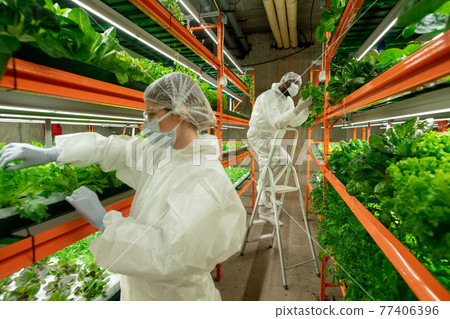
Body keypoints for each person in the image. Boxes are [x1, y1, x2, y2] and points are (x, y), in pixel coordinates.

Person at [0, 72, 246, 301]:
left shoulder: (204, 179)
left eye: (151, 114)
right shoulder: (166, 155)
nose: (145, 124)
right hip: (145, 295)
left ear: (179, 112)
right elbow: (115, 149)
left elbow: (169, 256)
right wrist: (54, 153)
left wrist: (105, 222)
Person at [247, 72, 311, 226]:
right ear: (284, 81)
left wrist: (303, 111)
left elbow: (293, 121)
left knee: (267, 166)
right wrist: (296, 110)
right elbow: (276, 122)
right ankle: (264, 195)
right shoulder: (268, 97)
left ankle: (265, 201)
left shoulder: (288, 100)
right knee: (283, 160)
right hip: (261, 136)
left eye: (298, 84)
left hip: (274, 138)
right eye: (294, 82)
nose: (296, 86)